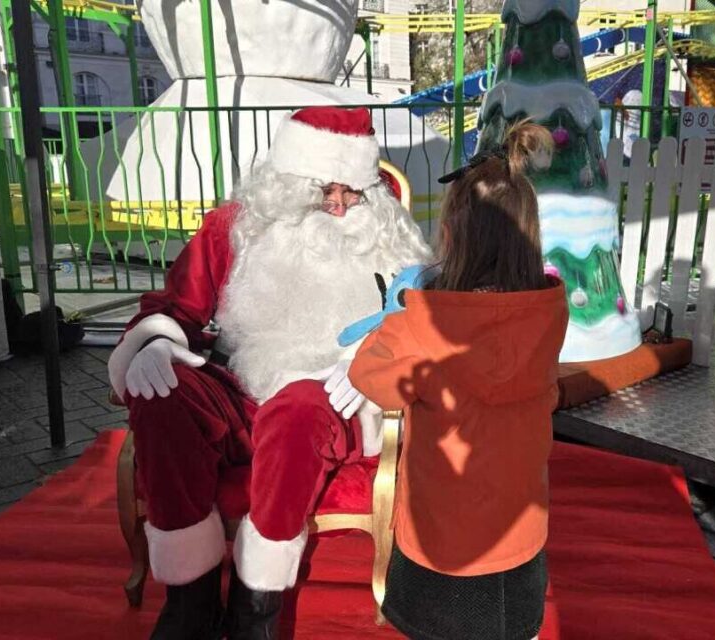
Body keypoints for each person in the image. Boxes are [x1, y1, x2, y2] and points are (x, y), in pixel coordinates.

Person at [106, 106, 432, 640]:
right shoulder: (234, 228)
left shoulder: (386, 233)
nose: (342, 205)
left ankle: (255, 606)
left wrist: (372, 359)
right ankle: (192, 598)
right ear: (288, 182)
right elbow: (177, 305)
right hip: (238, 385)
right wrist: (153, 342)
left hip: (332, 393)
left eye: (354, 191)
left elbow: (420, 315)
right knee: (162, 393)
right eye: (326, 189)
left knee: (298, 408)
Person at [347, 121, 569, 640]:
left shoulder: (422, 324)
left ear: (450, 235)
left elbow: (368, 376)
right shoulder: (548, 314)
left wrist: (395, 314)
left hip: (443, 543)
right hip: (520, 536)